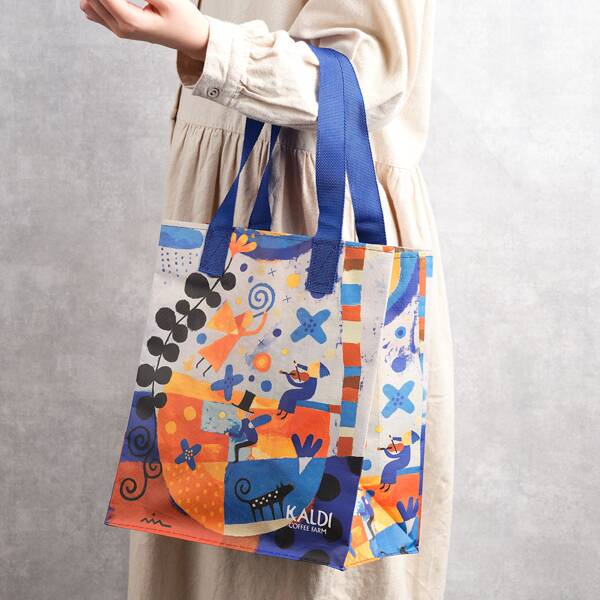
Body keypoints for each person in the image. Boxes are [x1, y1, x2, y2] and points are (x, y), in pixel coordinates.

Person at [80, 1, 455, 598]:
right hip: (233, 217)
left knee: (302, 565)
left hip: (305, 218)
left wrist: (208, 40)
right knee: (195, 514)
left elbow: (362, 77)